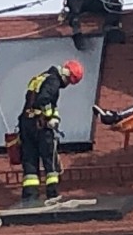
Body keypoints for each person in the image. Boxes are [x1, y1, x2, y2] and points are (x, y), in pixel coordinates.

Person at [19, 60, 84, 201]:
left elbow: (33, 99)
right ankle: (52, 193)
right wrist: (50, 118)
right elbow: (43, 100)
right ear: (68, 76)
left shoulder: (43, 77)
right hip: (40, 125)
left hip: (26, 122)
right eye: (70, 82)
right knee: (49, 158)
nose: (67, 86)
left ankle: (30, 195)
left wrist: (53, 115)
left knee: (30, 158)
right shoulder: (53, 81)